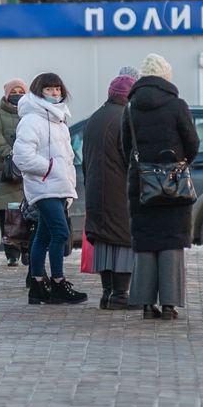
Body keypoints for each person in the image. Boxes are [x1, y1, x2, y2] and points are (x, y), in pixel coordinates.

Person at [121, 54, 200, 320]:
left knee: (145, 243)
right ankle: (169, 305)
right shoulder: (177, 105)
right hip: (173, 183)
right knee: (171, 243)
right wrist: (179, 163)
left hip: (142, 184)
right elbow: (193, 144)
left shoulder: (130, 107)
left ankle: (145, 304)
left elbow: (125, 148)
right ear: (167, 77)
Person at [12, 73, 87, 305]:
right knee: (61, 234)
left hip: (59, 186)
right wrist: (50, 169)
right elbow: (22, 158)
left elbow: (68, 156)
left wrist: (67, 179)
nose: (55, 93)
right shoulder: (32, 120)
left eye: (57, 89)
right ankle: (57, 283)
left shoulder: (59, 119)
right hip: (44, 187)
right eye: (49, 89)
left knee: (43, 236)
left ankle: (36, 286)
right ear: (38, 92)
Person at [83, 70, 138, 309]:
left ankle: (107, 294)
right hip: (119, 190)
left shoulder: (95, 117)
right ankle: (120, 295)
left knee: (104, 241)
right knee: (123, 240)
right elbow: (131, 157)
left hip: (96, 189)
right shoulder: (125, 117)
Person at [0, 78, 27, 266]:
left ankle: (27, 250)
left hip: (27, 168)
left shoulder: (30, 113)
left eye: (21, 91)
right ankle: (12, 253)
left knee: (28, 213)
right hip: (6, 169)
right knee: (8, 214)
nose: (17, 94)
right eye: (13, 91)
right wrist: (9, 152)